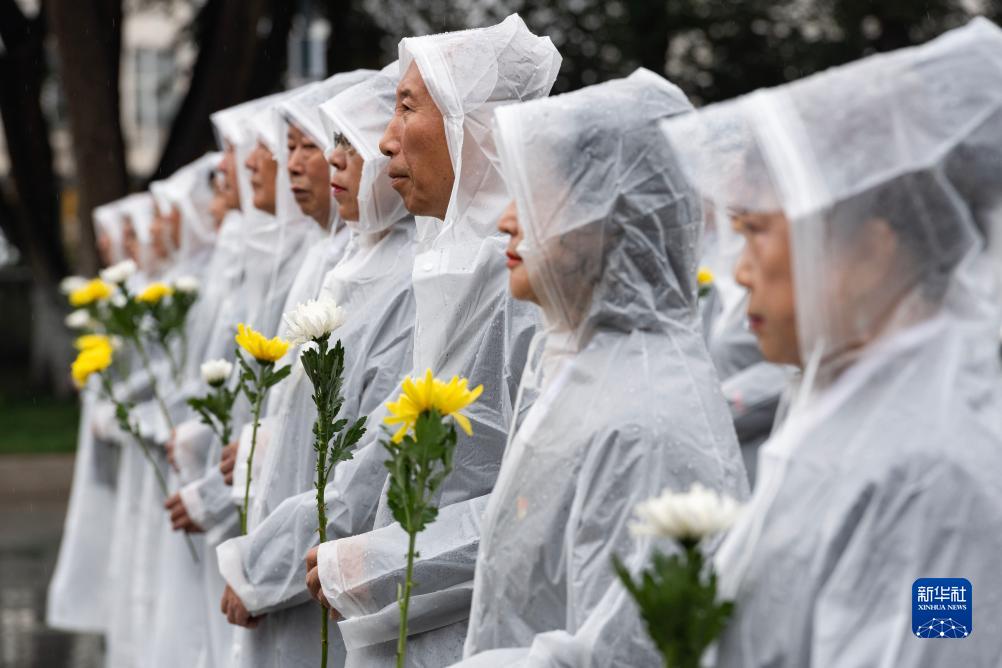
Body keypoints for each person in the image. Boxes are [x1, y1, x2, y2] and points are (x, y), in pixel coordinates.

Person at [661, 17, 1002, 666]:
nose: (738, 270)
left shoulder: (937, 478)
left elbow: (940, 644)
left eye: (757, 231)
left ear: (872, 251)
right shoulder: (836, 402)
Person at [454, 68, 748, 666]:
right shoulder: (588, 360)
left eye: (531, 196)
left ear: (604, 215)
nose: (506, 220)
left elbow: (622, 653)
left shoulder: (643, 418)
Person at [301, 15, 561, 666]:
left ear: (473, 127)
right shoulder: (449, 265)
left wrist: (378, 561)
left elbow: (536, 507)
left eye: (406, 108)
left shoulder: (522, 285)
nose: (385, 141)